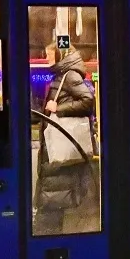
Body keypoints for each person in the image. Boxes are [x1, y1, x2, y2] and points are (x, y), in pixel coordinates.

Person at [34, 44, 97, 234]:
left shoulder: (70, 76)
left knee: (55, 197)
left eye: (50, 56)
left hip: (61, 148)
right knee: (55, 195)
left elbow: (87, 101)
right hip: (57, 148)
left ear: (60, 55)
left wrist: (58, 109)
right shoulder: (63, 75)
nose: (47, 60)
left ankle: (49, 237)